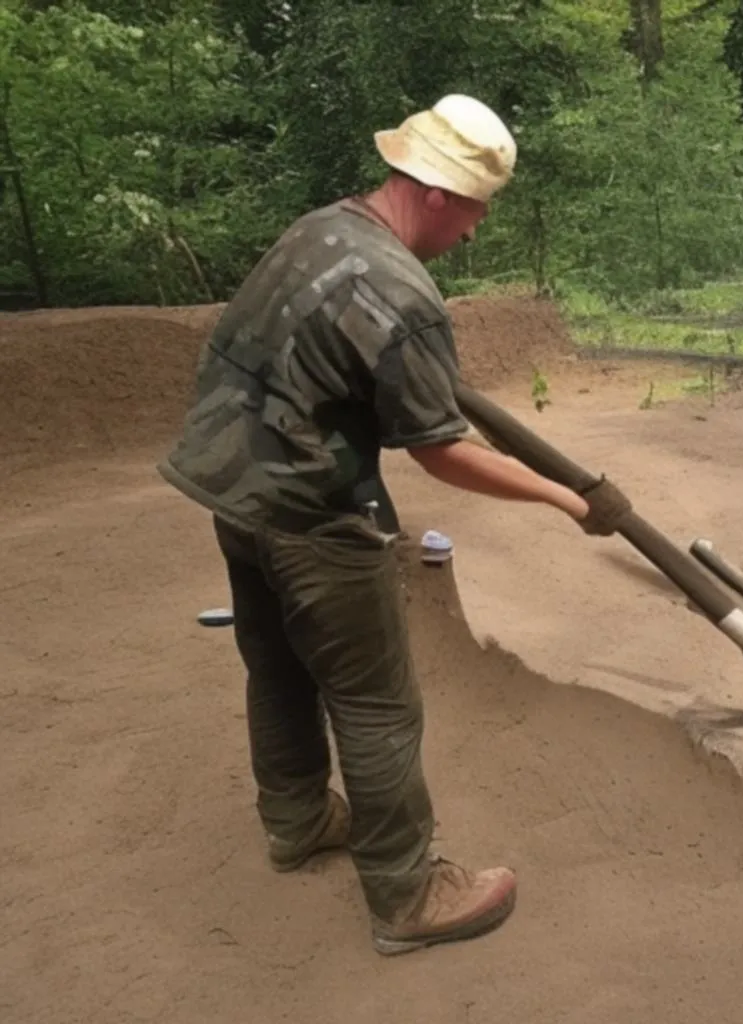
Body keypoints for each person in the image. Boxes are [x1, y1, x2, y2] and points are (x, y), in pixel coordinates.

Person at [156, 94, 633, 957]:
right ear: (443, 194)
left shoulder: (319, 231)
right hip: (313, 513)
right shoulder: (404, 295)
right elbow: (443, 451)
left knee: (278, 669)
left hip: (232, 491)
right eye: (478, 211)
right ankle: (408, 895)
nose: (477, 233)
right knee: (377, 704)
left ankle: (296, 821)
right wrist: (571, 499)